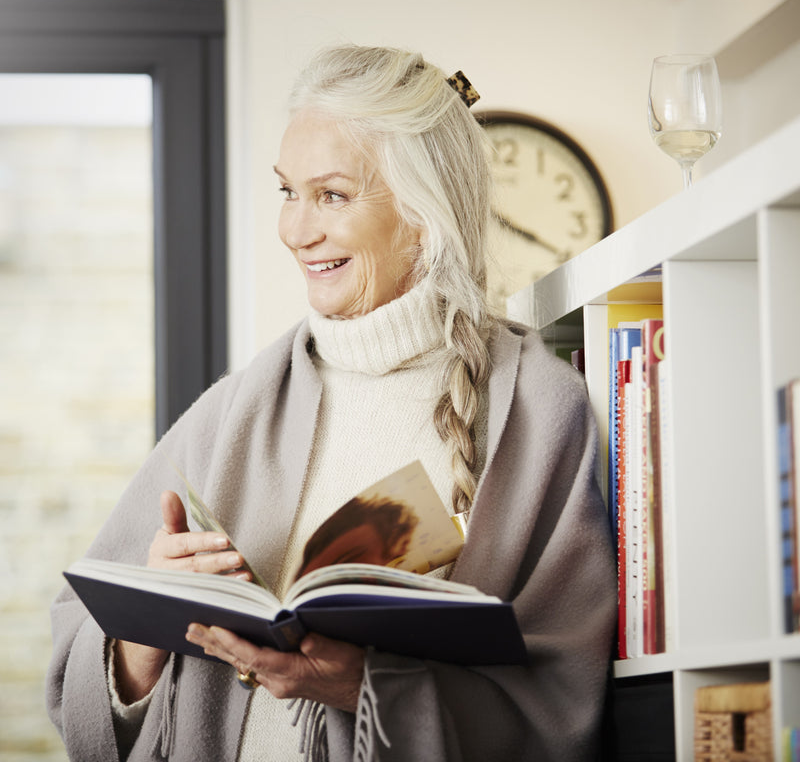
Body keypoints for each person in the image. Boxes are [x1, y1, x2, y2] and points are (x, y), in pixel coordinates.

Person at [46, 44, 616, 762]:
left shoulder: (538, 410)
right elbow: (79, 687)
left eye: (333, 195)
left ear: (423, 211)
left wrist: (367, 687)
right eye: (288, 191)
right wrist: (143, 631)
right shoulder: (232, 411)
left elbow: (564, 702)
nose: (295, 230)